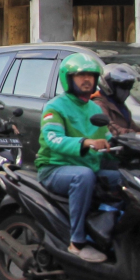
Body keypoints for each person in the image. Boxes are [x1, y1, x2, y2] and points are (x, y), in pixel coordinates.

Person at [36, 54, 120, 263]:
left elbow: (107, 137)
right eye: (80, 75)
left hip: (88, 166)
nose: (87, 80)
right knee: (84, 176)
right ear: (68, 78)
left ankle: (110, 235)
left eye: (90, 75)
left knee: (123, 178)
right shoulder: (55, 107)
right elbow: (53, 138)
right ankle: (77, 242)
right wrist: (86, 142)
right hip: (55, 168)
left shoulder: (94, 108)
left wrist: (132, 145)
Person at [93, 63, 140, 136]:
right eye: (123, 86)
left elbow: (132, 126)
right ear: (110, 85)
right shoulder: (99, 103)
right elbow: (110, 127)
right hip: (112, 145)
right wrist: (134, 134)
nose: (126, 91)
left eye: (129, 87)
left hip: (128, 144)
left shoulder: (118, 104)